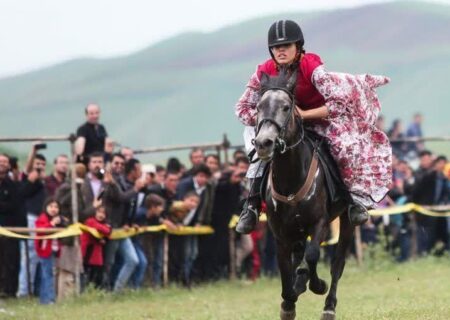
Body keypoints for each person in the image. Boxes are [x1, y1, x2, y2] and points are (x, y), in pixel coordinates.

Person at [234, 20, 392, 233]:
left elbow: (337, 104)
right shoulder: (263, 71)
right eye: (276, 47)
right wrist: (270, 120)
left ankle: (353, 199)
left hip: (317, 118)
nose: (280, 50)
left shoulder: (311, 66)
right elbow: (242, 108)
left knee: (344, 147)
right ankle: (251, 206)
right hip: (280, 124)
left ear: (298, 47)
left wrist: (304, 115)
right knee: (259, 147)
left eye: (286, 46)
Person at [34, 198, 67, 304]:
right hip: (45, 251)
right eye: (51, 206)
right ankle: (49, 299)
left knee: (46, 274)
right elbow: (41, 230)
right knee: (47, 274)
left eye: (56, 207)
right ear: (46, 207)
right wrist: (52, 223)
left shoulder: (59, 220)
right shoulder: (42, 218)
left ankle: (44, 299)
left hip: (54, 250)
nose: (54, 209)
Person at [0, 154, 22, 297]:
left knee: (9, 262)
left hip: (8, 230)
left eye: (5, 162)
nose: (2, 165)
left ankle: (8, 292)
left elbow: (14, 205)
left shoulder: (12, 185)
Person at [81, 205, 112, 288]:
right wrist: (106, 230)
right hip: (87, 254)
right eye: (99, 212)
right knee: (86, 277)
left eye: (103, 213)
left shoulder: (104, 224)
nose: (101, 215)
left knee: (96, 277)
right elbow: (105, 230)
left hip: (97, 256)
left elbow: (108, 234)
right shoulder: (90, 221)